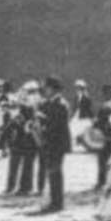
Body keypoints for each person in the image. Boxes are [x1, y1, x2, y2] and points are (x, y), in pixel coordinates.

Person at [37, 76, 72, 213]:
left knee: (55, 171)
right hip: (50, 141)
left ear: (52, 88)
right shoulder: (49, 103)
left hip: (57, 142)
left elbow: (58, 125)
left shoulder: (61, 104)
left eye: (46, 87)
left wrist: (44, 125)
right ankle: (53, 200)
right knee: (51, 172)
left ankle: (57, 203)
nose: (44, 90)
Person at [1, 102, 39, 194]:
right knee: (26, 168)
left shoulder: (20, 120)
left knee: (16, 168)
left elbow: (6, 132)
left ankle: (14, 187)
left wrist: (4, 146)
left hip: (21, 146)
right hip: (26, 146)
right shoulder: (32, 120)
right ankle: (24, 188)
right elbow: (7, 131)